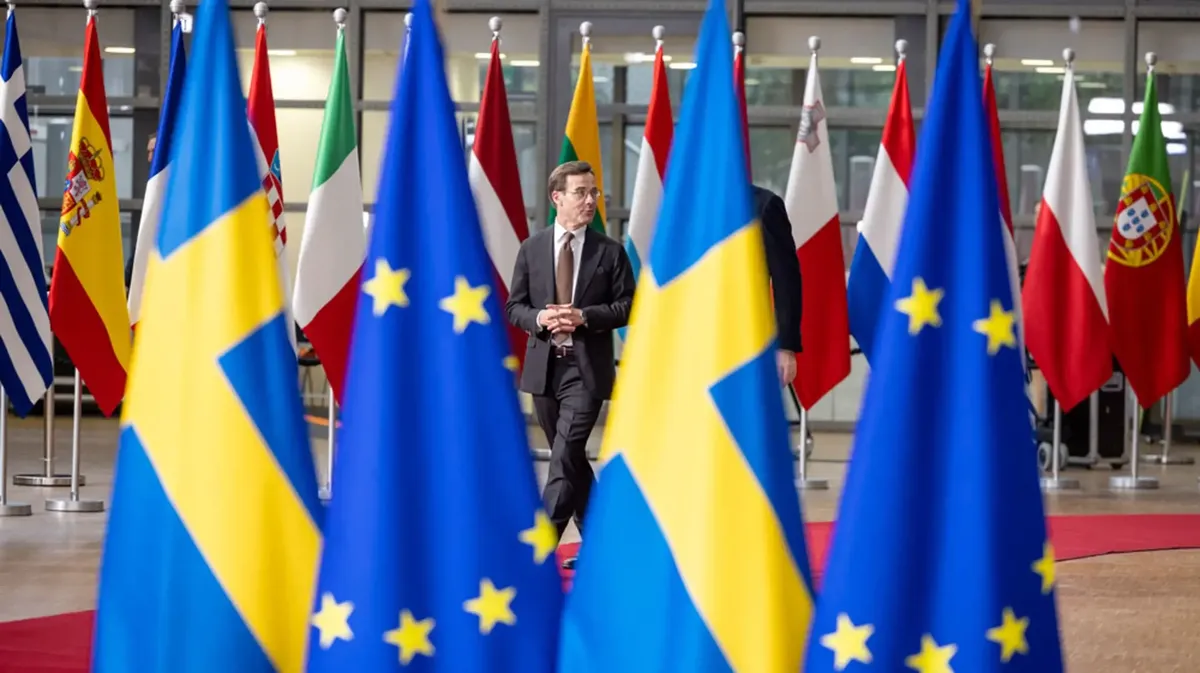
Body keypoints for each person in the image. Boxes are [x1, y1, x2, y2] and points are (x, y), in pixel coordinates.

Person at [505, 160, 635, 570]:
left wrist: (584, 317)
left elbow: (629, 305)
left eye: (594, 192)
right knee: (572, 459)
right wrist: (540, 318)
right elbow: (514, 307)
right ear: (557, 197)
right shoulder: (532, 248)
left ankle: (538, 553)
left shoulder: (610, 251)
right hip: (545, 370)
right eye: (581, 192)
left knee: (563, 459)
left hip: (585, 370)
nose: (590, 200)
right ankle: (602, 546)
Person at [752, 185, 803, 383]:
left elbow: (786, 279)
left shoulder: (764, 206)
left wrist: (785, 346)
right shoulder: (688, 208)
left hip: (748, 343)